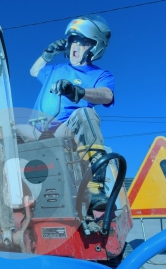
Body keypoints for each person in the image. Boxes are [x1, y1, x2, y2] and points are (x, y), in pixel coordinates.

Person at [19, 15, 114, 209]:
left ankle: (96, 188)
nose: (75, 46)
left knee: (85, 114)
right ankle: (6, 195)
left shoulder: (99, 74)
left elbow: (107, 95)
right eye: (72, 41)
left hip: (67, 133)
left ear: (95, 47)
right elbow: (34, 71)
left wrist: (79, 92)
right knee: (2, 131)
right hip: (38, 130)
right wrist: (48, 53)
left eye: (83, 42)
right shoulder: (54, 70)